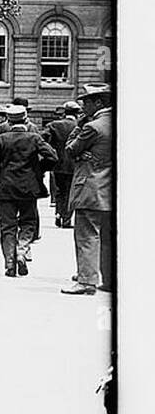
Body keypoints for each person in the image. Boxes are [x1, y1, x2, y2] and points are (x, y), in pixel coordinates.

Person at [0, 103, 56, 277]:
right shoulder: (34, 138)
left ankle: (9, 264)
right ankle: (22, 249)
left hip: (6, 187)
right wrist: (39, 169)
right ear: (26, 119)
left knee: (7, 226)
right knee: (28, 222)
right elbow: (53, 157)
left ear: (9, 121)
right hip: (29, 187)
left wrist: (1, 175)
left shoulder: (1, 139)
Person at [61, 84, 114, 296]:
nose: (84, 106)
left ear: (98, 103)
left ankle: (86, 281)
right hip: (111, 190)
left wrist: (80, 124)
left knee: (86, 236)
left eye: (87, 102)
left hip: (91, 188)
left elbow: (70, 149)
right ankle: (109, 280)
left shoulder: (92, 127)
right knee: (108, 238)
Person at [46, 101, 81, 228]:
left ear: (65, 112)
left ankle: (58, 213)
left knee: (60, 191)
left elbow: (44, 140)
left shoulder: (54, 125)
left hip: (58, 164)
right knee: (71, 192)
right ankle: (66, 219)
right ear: (77, 113)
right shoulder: (80, 125)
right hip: (74, 164)